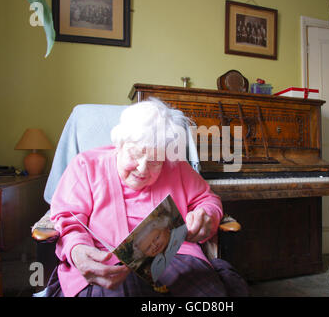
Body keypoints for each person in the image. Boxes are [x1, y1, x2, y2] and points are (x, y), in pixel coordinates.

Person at [45, 98, 249, 297]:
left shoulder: (176, 165)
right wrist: (77, 249)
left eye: (155, 161)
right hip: (107, 259)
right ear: (120, 143)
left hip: (175, 256)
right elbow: (67, 218)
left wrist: (206, 215)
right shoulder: (86, 166)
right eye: (134, 154)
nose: (142, 169)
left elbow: (207, 199)